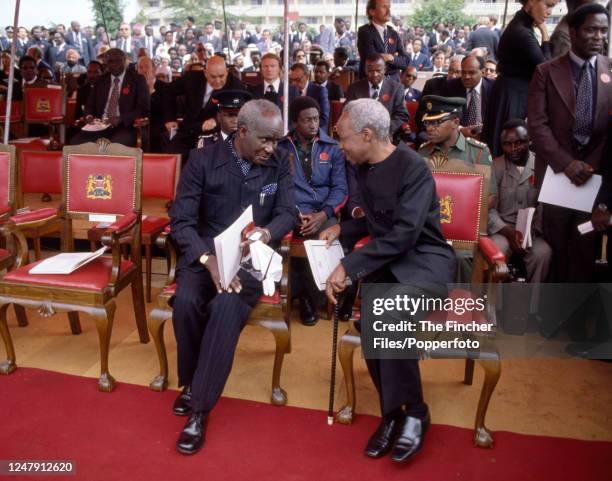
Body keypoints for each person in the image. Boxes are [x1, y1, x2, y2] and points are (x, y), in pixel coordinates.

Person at [321, 98, 456, 463]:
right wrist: (341, 228)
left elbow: (405, 233)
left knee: (388, 316)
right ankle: (393, 413)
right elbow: (378, 221)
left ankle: (414, 412)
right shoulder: (364, 166)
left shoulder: (413, 167)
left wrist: (349, 266)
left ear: (367, 135)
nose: (340, 146)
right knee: (371, 322)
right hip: (391, 267)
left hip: (426, 265)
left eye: (344, 137)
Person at [169, 100, 295, 455]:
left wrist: (266, 234)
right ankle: (191, 382)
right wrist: (208, 260)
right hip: (205, 254)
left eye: (276, 140)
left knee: (226, 304)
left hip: (251, 259)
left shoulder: (279, 164)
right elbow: (181, 220)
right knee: (187, 302)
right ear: (241, 132)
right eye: (265, 140)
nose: (272, 149)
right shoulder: (203, 160)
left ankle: (199, 409)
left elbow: (287, 212)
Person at [527, 2, 610, 282]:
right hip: (556, 177)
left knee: (585, 247)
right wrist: (567, 163)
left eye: (603, 31)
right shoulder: (546, 72)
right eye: (591, 30)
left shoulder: (610, 72)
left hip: (595, 181)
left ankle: (574, 320)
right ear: (573, 33)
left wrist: (590, 167)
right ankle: (550, 319)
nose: (599, 37)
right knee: (556, 247)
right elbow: (538, 126)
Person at [278, 96, 348, 325]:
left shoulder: (332, 147)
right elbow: (281, 186)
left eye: (316, 119)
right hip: (291, 209)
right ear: (295, 122)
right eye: (306, 120)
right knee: (280, 236)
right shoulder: (281, 147)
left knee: (323, 237)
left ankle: (310, 298)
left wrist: (324, 213)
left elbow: (340, 188)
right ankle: (298, 293)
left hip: (323, 211)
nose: (312, 124)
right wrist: (294, 211)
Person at [484, 0, 558, 156]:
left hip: (512, 94)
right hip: (513, 97)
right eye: (548, 4)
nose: (550, 11)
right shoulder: (521, 32)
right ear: (531, 2)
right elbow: (546, 69)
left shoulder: (521, 27)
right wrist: (545, 35)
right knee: (510, 152)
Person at [488, 119, 552, 295]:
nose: (513, 148)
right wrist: (507, 231)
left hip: (531, 232)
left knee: (543, 253)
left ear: (529, 140)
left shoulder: (541, 166)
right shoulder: (495, 166)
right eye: (507, 144)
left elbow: (544, 207)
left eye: (519, 142)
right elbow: (488, 208)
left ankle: (531, 308)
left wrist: (531, 234)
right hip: (503, 229)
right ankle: (493, 307)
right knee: (497, 250)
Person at [162, 55, 244, 159]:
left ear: (227, 71)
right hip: (189, 130)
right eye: (213, 77)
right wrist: (170, 119)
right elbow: (168, 91)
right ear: (205, 73)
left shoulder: (235, 84)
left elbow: (237, 109)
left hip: (217, 134)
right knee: (171, 158)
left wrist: (216, 120)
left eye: (221, 76)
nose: (218, 80)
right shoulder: (192, 78)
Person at [70, 48, 150, 147]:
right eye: (111, 61)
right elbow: (89, 105)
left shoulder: (137, 80)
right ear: (106, 64)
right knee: (75, 142)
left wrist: (121, 118)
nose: (115, 64)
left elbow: (144, 109)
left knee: (112, 146)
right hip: (100, 126)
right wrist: (89, 116)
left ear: (124, 61)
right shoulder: (100, 80)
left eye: (118, 60)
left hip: (126, 126)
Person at [345, 54, 411, 143]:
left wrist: (385, 131)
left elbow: (402, 115)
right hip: (361, 137)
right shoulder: (354, 88)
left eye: (378, 71)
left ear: (384, 70)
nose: (374, 74)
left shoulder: (396, 88)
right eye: (370, 71)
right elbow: (347, 112)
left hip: (387, 136)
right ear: (365, 70)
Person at [357, 0, 408, 81]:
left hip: (393, 84)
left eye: (389, 7)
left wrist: (391, 58)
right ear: (372, 11)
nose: (388, 11)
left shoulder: (393, 33)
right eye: (384, 7)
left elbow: (406, 61)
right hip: (371, 83)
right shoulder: (365, 31)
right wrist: (395, 60)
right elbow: (373, 60)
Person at [288, 63, 330, 132]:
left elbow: (324, 118)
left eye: (298, 80)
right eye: (292, 80)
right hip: (294, 131)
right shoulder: (289, 91)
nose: (294, 83)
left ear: (307, 77)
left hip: (316, 131)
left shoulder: (320, 91)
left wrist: (305, 128)